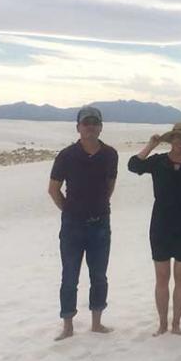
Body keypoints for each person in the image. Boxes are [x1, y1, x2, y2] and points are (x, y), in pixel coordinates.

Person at [128, 122, 181, 336]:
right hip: (161, 223)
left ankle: (176, 323)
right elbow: (134, 165)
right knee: (162, 277)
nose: (180, 142)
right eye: (177, 137)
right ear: (171, 140)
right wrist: (151, 146)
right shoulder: (159, 161)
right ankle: (162, 323)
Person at [48, 106, 118, 341]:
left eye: (94, 123)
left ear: (100, 127)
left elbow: (110, 185)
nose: (90, 127)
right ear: (78, 127)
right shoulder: (66, 155)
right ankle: (68, 326)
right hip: (72, 226)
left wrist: (98, 206)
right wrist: (69, 210)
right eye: (86, 123)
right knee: (70, 276)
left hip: (100, 224)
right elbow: (53, 189)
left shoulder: (110, 154)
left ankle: (97, 323)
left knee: (99, 275)